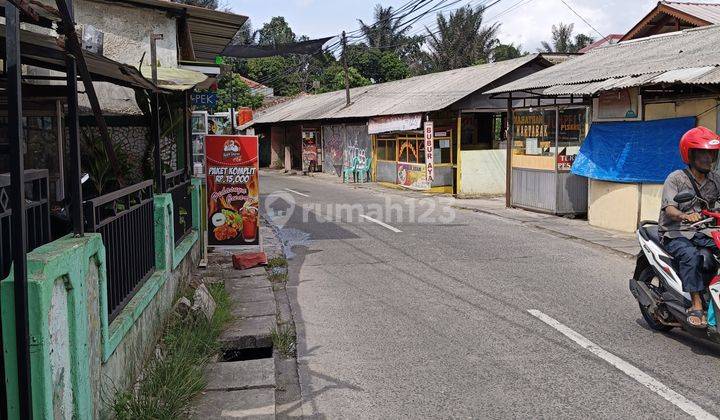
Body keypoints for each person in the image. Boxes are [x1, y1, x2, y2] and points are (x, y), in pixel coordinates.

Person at [659, 126, 720, 328]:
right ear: (690, 155)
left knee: (711, 258)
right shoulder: (676, 178)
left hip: (704, 231)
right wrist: (685, 215)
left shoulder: (715, 180)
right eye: (702, 154)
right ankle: (695, 304)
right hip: (676, 233)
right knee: (692, 256)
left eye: (710, 154)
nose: (707, 159)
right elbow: (669, 208)